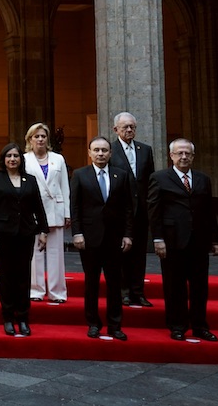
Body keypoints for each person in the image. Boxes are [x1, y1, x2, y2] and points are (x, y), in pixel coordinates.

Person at [149, 138, 218, 342]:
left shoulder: (203, 179)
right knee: (174, 286)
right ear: (171, 156)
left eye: (187, 153)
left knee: (200, 286)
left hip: (199, 241)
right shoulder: (160, 178)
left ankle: (200, 326)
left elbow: (209, 211)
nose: (183, 157)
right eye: (179, 153)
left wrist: (215, 240)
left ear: (193, 156)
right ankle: (177, 325)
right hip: (172, 241)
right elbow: (154, 211)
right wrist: (157, 239)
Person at [0, 143, 49, 336]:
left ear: (21, 159)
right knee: (5, 278)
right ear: (3, 159)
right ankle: (8, 317)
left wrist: (43, 231)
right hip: (2, 234)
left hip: (25, 234)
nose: (12, 159)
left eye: (16, 156)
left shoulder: (30, 180)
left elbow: (38, 207)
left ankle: (23, 318)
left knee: (23, 277)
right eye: (9, 156)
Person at [70, 136, 135, 340]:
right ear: (89, 153)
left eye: (104, 150)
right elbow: (76, 207)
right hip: (89, 238)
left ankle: (115, 325)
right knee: (91, 283)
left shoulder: (121, 175)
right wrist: (77, 232)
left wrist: (128, 234)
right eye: (96, 150)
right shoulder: (80, 175)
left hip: (114, 238)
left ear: (110, 153)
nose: (100, 154)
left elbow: (127, 208)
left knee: (115, 283)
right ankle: (93, 323)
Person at [110, 112, 156, 307]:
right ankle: (124, 292)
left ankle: (138, 291)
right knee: (121, 253)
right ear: (116, 130)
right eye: (125, 127)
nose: (129, 130)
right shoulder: (110, 150)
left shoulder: (145, 150)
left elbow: (150, 179)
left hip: (142, 211)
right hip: (120, 211)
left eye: (132, 127)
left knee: (139, 253)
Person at [23, 123, 71, 303]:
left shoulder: (58, 159)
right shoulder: (24, 159)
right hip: (33, 212)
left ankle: (57, 292)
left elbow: (64, 186)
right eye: (36, 136)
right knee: (35, 254)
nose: (40, 139)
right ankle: (36, 290)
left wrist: (67, 212)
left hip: (55, 209)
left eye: (43, 136)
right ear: (30, 139)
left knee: (56, 254)